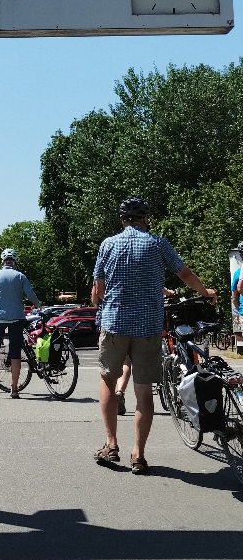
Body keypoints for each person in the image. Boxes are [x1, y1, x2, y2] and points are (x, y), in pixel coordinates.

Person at [92, 197, 216, 474]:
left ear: (122, 220)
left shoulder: (108, 245)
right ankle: (138, 455)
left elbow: (98, 290)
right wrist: (205, 292)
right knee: (144, 390)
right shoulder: (158, 244)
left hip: (114, 324)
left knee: (108, 380)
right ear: (145, 219)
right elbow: (184, 273)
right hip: (148, 328)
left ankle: (111, 445)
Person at [0, 249, 39, 398]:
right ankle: (14, 389)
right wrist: (38, 304)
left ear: (2, 262)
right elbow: (30, 294)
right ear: (15, 262)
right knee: (15, 353)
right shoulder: (20, 276)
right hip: (16, 318)